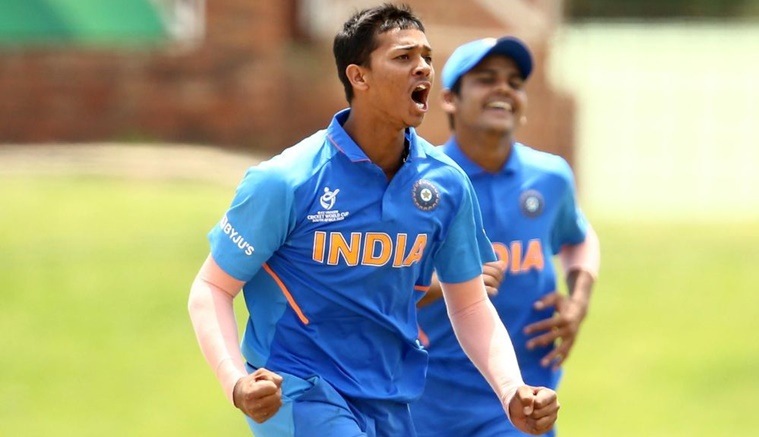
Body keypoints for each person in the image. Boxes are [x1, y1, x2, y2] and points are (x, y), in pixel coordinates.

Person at [188, 5, 560, 437]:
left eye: (427, 57)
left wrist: (511, 390)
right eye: (404, 57)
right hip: (299, 392)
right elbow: (211, 287)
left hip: (390, 400)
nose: (423, 68)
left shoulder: (446, 184)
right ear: (358, 77)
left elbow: (470, 304)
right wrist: (236, 381)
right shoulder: (286, 181)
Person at [411, 36, 601, 437]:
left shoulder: (549, 177)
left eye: (515, 82)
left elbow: (578, 237)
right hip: (428, 400)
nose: (503, 89)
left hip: (522, 402)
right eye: (486, 79)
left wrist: (578, 301)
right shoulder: (420, 183)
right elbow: (374, 283)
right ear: (449, 99)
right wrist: (453, 284)